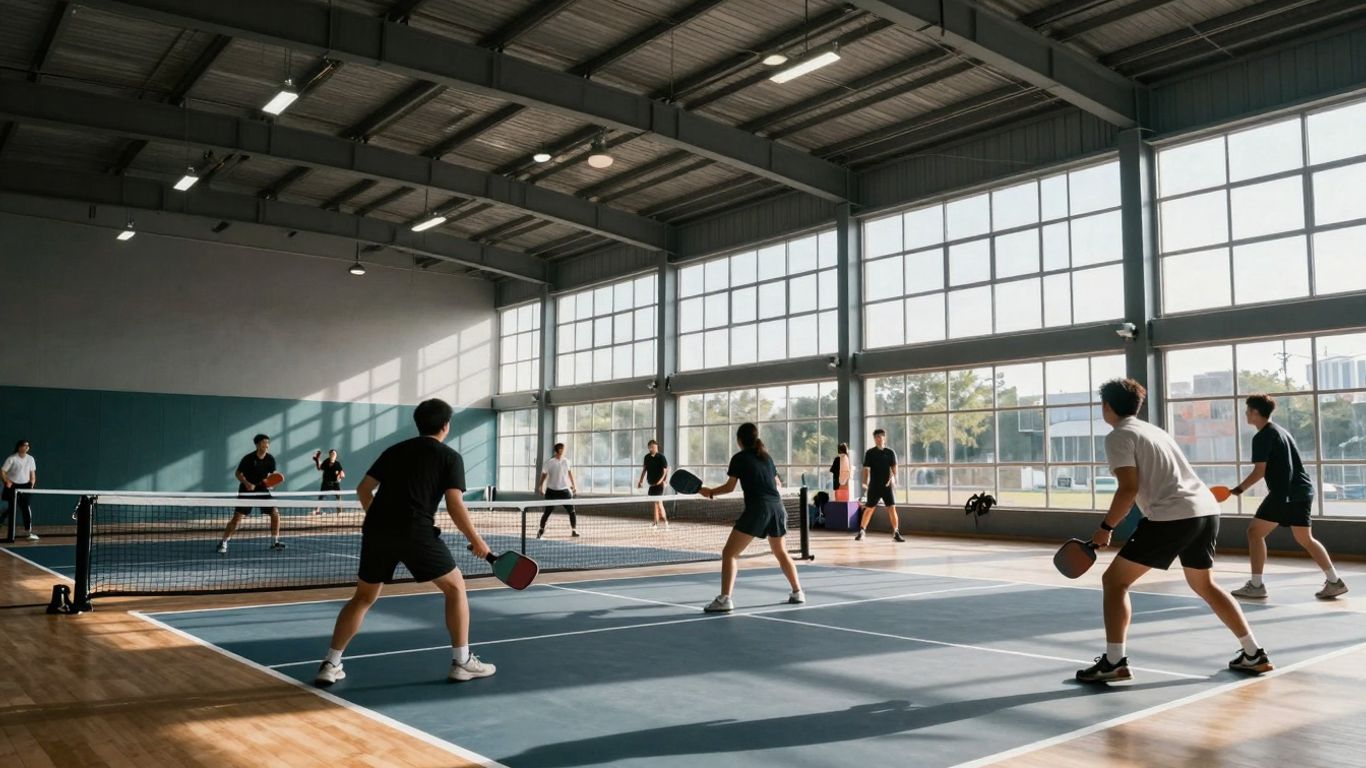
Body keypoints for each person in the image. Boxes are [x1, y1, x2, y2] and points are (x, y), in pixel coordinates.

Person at [1076, 378, 1272, 683]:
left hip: (1174, 516)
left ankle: (1114, 662)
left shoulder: (1118, 436)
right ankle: (1253, 653)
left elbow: (1128, 488)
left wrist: (1106, 527)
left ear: (1106, 407)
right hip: (1205, 510)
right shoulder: (1154, 431)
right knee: (1205, 585)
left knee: (1113, 582)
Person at [314, 398, 496, 686]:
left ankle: (330, 663)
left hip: (376, 531)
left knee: (363, 597)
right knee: (455, 587)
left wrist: (381, 519)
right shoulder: (449, 457)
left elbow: (363, 489)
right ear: (446, 425)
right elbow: (454, 505)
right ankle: (462, 662)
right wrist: (477, 541)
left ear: (418, 423)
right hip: (415, 531)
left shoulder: (395, 450)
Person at [1230, 394, 1347, 600]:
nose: (1245, 414)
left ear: (1255, 412)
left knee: (1254, 533)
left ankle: (1256, 585)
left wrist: (1238, 490)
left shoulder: (1263, 436)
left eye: (1248, 410)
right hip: (1302, 491)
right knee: (1306, 538)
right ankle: (1334, 581)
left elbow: (1259, 471)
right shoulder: (1282, 431)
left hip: (1284, 494)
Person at [697, 422, 804, 612]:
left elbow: (730, 487)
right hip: (778, 508)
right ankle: (798, 592)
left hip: (758, 509)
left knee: (729, 553)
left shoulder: (739, 458)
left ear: (739, 440)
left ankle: (724, 599)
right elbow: (777, 483)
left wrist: (711, 492)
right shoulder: (767, 457)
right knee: (781, 552)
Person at [217, 434, 284, 553]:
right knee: (237, 518)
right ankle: (223, 542)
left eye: (268, 442)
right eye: (264, 442)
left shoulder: (270, 459)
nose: (267, 445)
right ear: (258, 445)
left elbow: (272, 476)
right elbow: (238, 474)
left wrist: (270, 483)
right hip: (246, 490)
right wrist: (247, 483)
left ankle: (275, 542)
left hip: (262, 489)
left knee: (275, 513)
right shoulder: (248, 458)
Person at [856, 429, 903, 542]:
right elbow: (866, 470)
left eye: (880, 437)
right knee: (869, 509)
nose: (878, 439)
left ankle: (896, 532)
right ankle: (862, 531)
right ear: (874, 439)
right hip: (874, 486)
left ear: (884, 438)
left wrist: (892, 479)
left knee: (892, 509)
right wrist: (864, 482)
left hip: (887, 487)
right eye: (876, 437)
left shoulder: (890, 452)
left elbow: (895, 470)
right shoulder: (870, 453)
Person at [537, 443, 578, 538]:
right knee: (547, 512)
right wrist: (540, 486)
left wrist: (574, 485)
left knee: (571, 511)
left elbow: (569, 474)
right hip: (551, 491)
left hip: (564, 491)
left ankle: (574, 530)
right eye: (562, 449)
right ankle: (541, 530)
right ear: (558, 450)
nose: (563, 451)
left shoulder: (566, 461)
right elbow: (544, 475)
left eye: (563, 449)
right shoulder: (549, 462)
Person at [1, 439, 39, 541]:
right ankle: (7, 531)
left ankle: (29, 532)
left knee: (26, 508)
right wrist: (7, 481)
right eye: (24, 446)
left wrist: (32, 482)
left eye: (28, 446)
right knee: (11, 509)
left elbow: (32, 473)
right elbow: (3, 471)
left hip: (25, 486)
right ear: (19, 447)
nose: (27, 448)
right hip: (12, 486)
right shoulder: (12, 458)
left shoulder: (30, 459)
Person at [637, 439, 670, 529]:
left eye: (655, 447)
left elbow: (666, 470)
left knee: (659, 503)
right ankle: (655, 523)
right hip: (651, 484)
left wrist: (662, 481)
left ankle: (666, 522)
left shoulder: (661, 457)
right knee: (655, 504)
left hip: (659, 485)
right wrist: (640, 481)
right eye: (652, 447)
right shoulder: (647, 457)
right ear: (649, 448)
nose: (654, 448)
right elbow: (644, 470)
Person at [312, 449, 346, 515]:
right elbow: (319, 468)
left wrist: (341, 476)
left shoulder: (337, 464)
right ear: (329, 455)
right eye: (332, 453)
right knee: (321, 497)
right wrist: (317, 461)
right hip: (326, 483)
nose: (333, 455)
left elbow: (342, 473)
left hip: (335, 483)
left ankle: (339, 512)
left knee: (338, 497)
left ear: (336, 456)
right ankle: (317, 510)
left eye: (334, 454)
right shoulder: (326, 462)